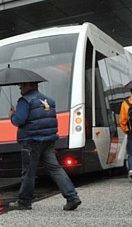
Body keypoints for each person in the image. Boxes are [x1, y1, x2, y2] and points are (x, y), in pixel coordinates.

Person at [8, 82, 81, 211]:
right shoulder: (49, 101)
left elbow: (19, 120)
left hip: (31, 141)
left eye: (22, 85)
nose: (20, 88)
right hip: (48, 141)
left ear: (29, 86)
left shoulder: (25, 101)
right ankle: (72, 197)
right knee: (55, 169)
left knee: (29, 173)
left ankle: (24, 202)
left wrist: (12, 116)